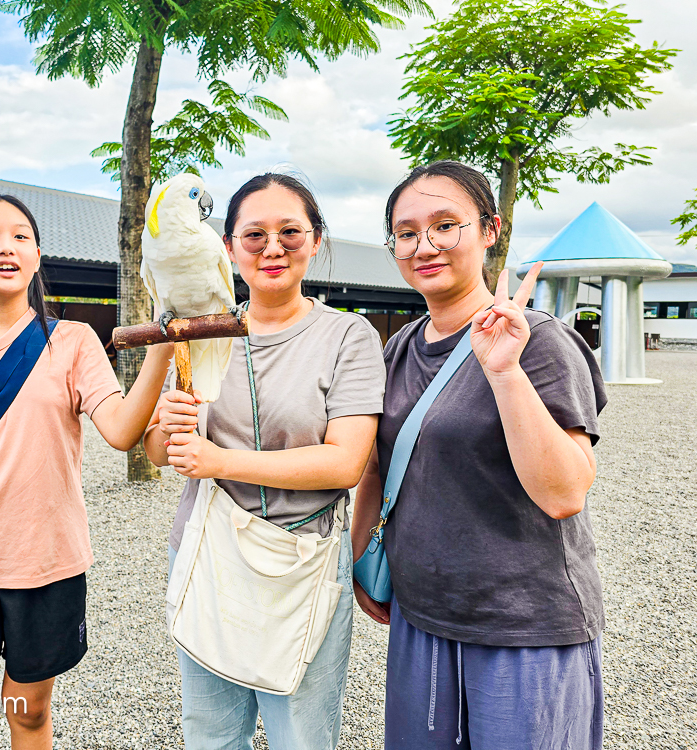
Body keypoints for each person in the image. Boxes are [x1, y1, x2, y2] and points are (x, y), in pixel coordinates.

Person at [0, 192, 173, 750]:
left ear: (38, 256)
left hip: (46, 562)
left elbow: (119, 431)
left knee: (30, 716)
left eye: (20, 235)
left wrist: (162, 346)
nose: (6, 246)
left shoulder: (69, 342)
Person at [351, 161, 606, 750]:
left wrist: (504, 370)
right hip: (421, 616)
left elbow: (565, 492)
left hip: (525, 624)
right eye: (407, 232)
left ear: (489, 230)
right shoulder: (398, 350)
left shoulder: (538, 340)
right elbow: (376, 468)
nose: (425, 246)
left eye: (446, 225)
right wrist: (363, 562)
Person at [144, 173, 386, 749]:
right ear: (227, 247)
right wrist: (172, 433)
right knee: (209, 732)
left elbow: (343, 464)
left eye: (290, 233)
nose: (272, 248)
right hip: (208, 550)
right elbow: (159, 450)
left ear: (316, 240)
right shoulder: (200, 327)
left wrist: (216, 460)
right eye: (254, 235)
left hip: (303, 557)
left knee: (300, 734)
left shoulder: (348, 336)